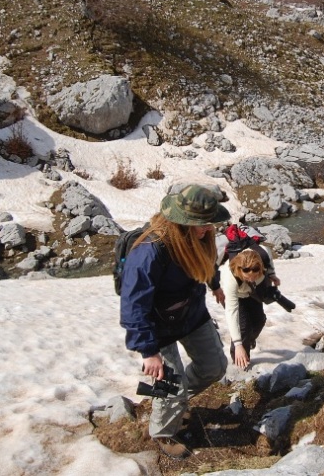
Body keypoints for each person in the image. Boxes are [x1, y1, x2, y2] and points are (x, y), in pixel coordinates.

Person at [119, 184, 229, 460]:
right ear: (183, 222)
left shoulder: (200, 238)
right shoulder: (150, 250)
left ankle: (174, 402)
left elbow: (206, 263)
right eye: (202, 225)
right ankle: (163, 432)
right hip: (157, 327)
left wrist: (214, 284)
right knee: (172, 388)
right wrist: (149, 351)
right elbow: (134, 305)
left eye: (209, 223)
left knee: (214, 366)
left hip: (191, 314)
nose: (208, 229)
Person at [219, 246, 280, 369]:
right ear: (240, 271)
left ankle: (248, 341)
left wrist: (272, 274)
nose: (251, 279)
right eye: (247, 277)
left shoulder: (263, 254)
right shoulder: (229, 277)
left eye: (255, 277)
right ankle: (241, 363)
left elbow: (268, 257)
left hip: (250, 292)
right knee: (243, 329)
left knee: (259, 320)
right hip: (235, 295)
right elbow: (232, 311)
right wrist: (238, 343)